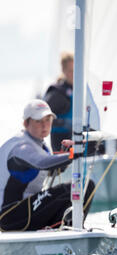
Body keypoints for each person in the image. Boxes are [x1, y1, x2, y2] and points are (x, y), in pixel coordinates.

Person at [0, 99, 95, 231]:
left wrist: (68, 153)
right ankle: (73, 232)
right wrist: (75, 153)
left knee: (82, 187)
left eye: (48, 120)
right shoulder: (20, 146)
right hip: (8, 217)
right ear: (26, 123)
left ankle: (69, 230)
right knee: (82, 186)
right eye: (38, 121)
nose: (44, 125)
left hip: (24, 213)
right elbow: (42, 163)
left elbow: (54, 168)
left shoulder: (41, 146)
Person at [44, 52, 74, 152]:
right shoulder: (57, 93)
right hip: (61, 144)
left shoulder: (81, 91)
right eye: (71, 71)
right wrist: (65, 123)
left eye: (76, 71)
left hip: (78, 143)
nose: (74, 74)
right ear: (64, 71)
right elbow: (43, 118)